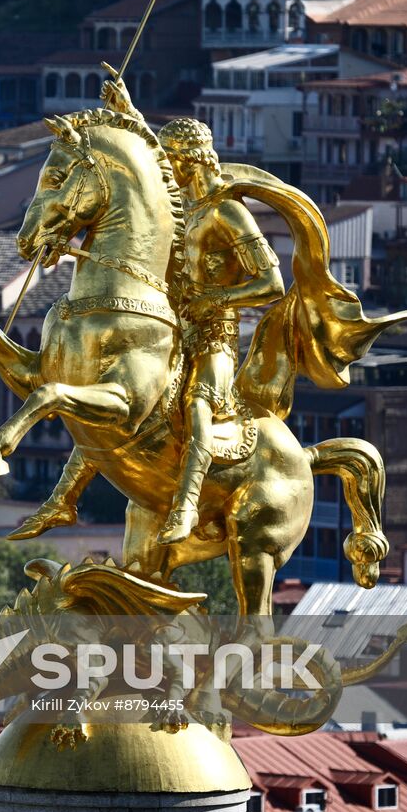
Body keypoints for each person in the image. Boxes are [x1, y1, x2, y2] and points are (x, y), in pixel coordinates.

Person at [154, 117, 284, 545]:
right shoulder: (187, 208)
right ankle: (65, 496)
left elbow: (272, 284)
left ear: (189, 162)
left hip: (216, 336)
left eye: (170, 159)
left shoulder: (228, 212)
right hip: (179, 328)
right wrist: (129, 109)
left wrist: (217, 300)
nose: (165, 167)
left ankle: (187, 505)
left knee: (198, 406)